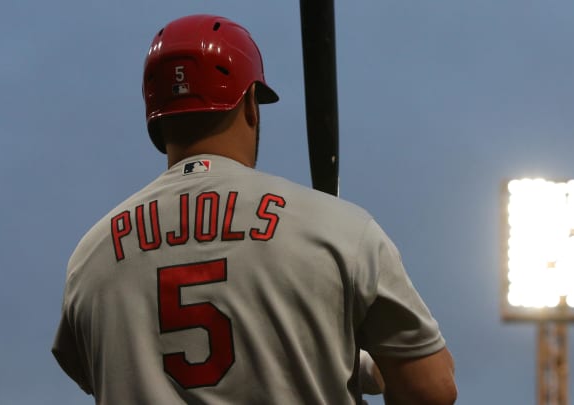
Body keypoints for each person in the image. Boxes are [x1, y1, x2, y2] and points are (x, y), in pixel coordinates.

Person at [52, 14, 456, 405]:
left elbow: (112, 369)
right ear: (249, 104)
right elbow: (431, 390)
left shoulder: (91, 258)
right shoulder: (338, 230)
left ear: (156, 118)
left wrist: (355, 365)